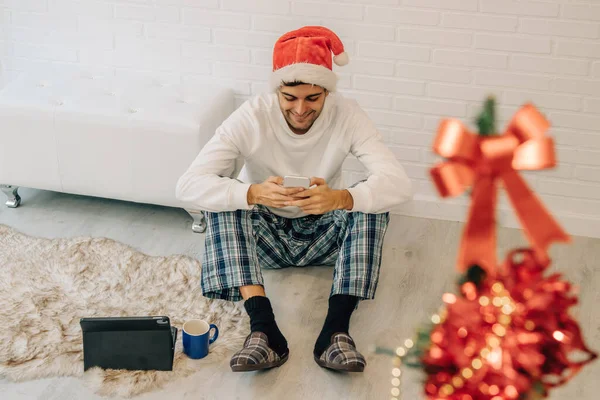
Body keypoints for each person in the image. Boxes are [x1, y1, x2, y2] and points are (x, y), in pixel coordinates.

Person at [176, 26, 412, 373]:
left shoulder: (347, 113)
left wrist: (342, 198)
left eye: (312, 98)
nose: (301, 109)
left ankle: (335, 332)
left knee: (369, 201)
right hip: (265, 240)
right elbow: (187, 186)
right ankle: (264, 329)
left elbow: (399, 184)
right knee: (225, 200)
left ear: (327, 93)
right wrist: (252, 192)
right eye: (290, 98)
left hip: (325, 237)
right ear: (276, 92)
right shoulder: (251, 116)